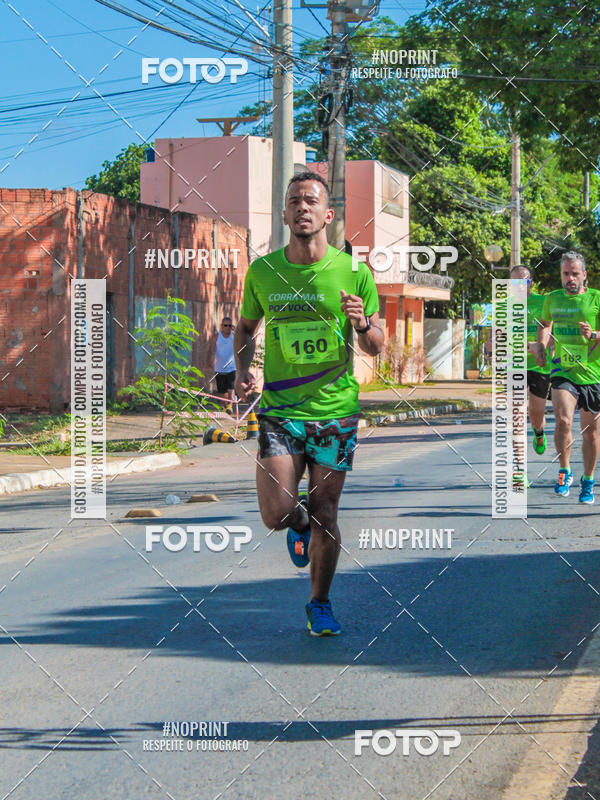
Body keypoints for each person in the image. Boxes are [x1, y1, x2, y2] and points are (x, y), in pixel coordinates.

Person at [234, 171, 384, 636]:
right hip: (280, 409)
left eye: (311, 201)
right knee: (277, 513)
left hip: (334, 411)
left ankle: (319, 603)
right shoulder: (262, 272)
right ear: (283, 213)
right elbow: (243, 328)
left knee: (329, 512)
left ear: (328, 214)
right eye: (294, 200)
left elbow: (377, 344)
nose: (303, 207)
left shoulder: (354, 272)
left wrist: (361, 324)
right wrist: (242, 372)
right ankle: (296, 523)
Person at [535, 252, 600, 503]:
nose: (570, 278)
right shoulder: (552, 299)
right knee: (562, 420)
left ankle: (588, 480)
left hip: (592, 373)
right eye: (565, 274)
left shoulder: (596, 298)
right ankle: (564, 470)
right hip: (563, 371)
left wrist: (593, 334)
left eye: (575, 273)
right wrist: (541, 346)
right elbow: (545, 324)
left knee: (590, 433)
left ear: (585, 275)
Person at [211, 316, 236, 412]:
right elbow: (211, 349)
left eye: (230, 325)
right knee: (223, 391)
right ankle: (225, 405)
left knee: (231, 388)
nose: (227, 327)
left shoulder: (234, 336)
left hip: (232, 368)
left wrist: (236, 329)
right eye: (225, 325)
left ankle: (230, 406)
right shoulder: (217, 337)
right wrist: (210, 361)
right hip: (219, 368)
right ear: (221, 326)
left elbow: (242, 337)